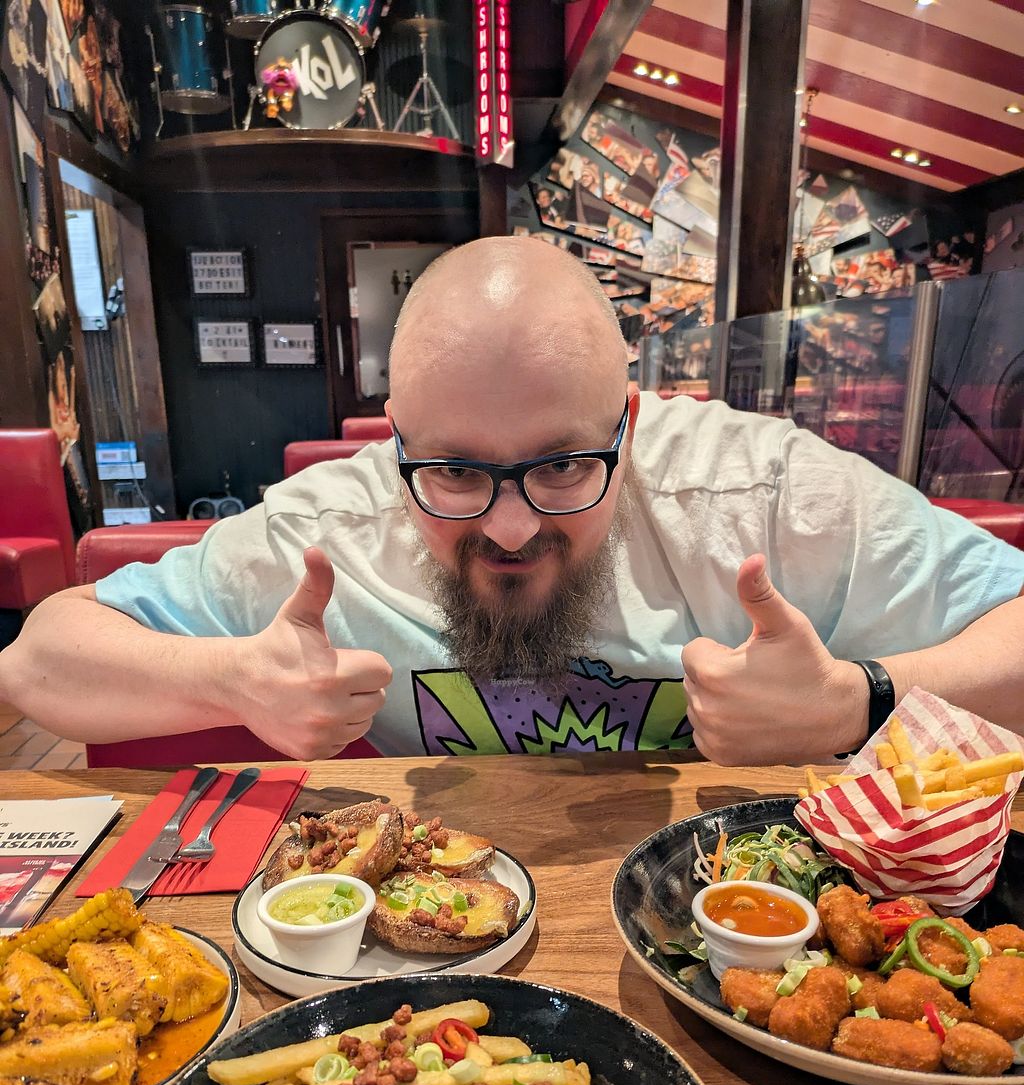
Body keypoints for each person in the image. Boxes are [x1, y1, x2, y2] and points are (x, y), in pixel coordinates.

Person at [2, 237, 1024, 764]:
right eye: (453, 472)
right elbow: (37, 662)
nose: (510, 525)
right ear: (394, 440)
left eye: (564, 465)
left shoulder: (754, 493)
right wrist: (233, 681)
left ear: (628, 424)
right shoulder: (332, 529)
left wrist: (859, 700)